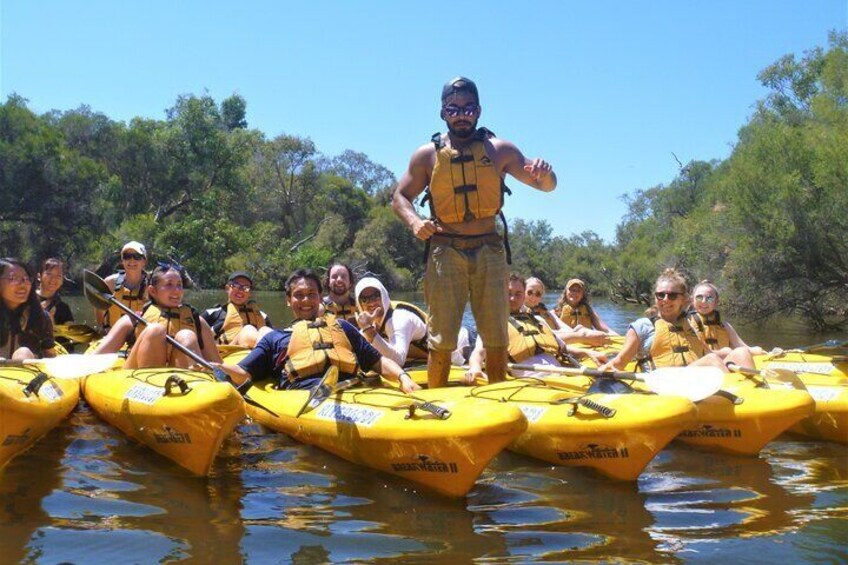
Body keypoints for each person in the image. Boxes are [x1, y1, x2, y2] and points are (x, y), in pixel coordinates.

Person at [392, 76, 557, 388]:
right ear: (443, 113)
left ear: (479, 111)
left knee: (496, 335)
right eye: (453, 109)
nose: (461, 114)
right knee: (442, 337)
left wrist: (546, 176)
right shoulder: (427, 155)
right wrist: (415, 222)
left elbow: (546, 186)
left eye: (468, 108)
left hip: (489, 250)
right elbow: (399, 197)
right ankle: (436, 402)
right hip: (445, 249)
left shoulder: (500, 150)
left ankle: (497, 401)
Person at [214, 269, 420, 394]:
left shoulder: (343, 327)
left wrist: (403, 377)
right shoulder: (274, 339)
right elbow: (244, 373)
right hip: (306, 397)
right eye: (299, 295)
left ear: (320, 297)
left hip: (353, 390)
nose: (306, 300)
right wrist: (218, 367)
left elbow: (378, 362)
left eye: (311, 294)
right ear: (288, 300)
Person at [599, 269, 753, 373]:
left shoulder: (691, 324)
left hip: (693, 382)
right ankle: (736, 403)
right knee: (712, 360)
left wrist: (731, 353)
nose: (665, 299)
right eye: (661, 295)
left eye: (672, 295)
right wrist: (601, 372)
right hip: (664, 383)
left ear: (684, 299)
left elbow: (707, 353)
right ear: (655, 297)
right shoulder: (642, 327)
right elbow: (620, 362)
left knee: (741, 352)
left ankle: (756, 401)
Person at [465, 274, 606, 383]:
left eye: (518, 294)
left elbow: (563, 348)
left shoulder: (537, 319)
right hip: (533, 382)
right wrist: (475, 367)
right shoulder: (494, 324)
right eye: (508, 293)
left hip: (562, 377)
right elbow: (479, 352)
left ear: (523, 295)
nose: (513, 298)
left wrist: (588, 353)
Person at [94, 263, 221, 369]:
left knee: (187, 335)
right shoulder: (134, 318)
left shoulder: (196, 321)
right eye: (169, 284)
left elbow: (218, 364)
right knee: (155, 330)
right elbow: (97, 357)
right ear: (152, 291)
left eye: (179, 285)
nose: (176, 290)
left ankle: (190, 392)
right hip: (139, 377)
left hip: (180, 380)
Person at [353, 276, 472, 367]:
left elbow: (398, 360)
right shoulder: (369, 325)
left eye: (375, 296)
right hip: (430, 358)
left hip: (463, 346)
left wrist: (369, 332)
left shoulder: (399, 319)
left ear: (383, 296)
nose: (371, 303)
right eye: (364, 299)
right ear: (360, 305)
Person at [687, 280, 766, 357]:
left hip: (723, 362)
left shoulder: (724, 326)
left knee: (744, 351)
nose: (704, 301)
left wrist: (757, 351)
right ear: (692, 300)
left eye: (709, 298)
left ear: (716, 302)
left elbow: (741, 346)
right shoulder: (687, 324)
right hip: (702, 365)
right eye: (699, 297)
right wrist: (725, 352)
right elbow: (700, 352)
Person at [524, 276, 607, 346]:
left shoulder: (588, 310)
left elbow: (605, 329)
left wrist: (580, 331)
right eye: (530, 292)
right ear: (566, 292)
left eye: (538, 294)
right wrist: (581, 335)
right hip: (565, 343)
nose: (534, 297)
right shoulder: (555, 312)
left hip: (574, 342)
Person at [0, 258, 57, 360]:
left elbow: (51, 356)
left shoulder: (41, 317)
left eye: (26, 279)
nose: (23, 284)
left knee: (23, 353)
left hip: (27, 373)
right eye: (13, 278)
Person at [202, 271, 273, 348]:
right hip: (229, 354)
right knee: (248, 330)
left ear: (250, 293)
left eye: (246, 288)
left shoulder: (263, 316)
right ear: (227, 288)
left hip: (258, 352)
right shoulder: (213, 314)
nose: (241, 290)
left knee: (266, 330)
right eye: (236, 286)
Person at [96, 240, 149, 332]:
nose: (131, 260)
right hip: (114, 335)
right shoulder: (110, 283)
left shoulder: (153, 284)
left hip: (141, 337)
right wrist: (103, 329)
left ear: (144, 261)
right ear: (122, 261)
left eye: (136, 257)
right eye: (127, 257)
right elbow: (99, 309)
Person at [36, 257, 74, 325]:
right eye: (49, 274)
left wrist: (50, 321)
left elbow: (69, 334)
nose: (53, 279)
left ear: (62, 281)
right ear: (39, 276)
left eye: (58, 276)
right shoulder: (27, 299)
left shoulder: (64, 308)